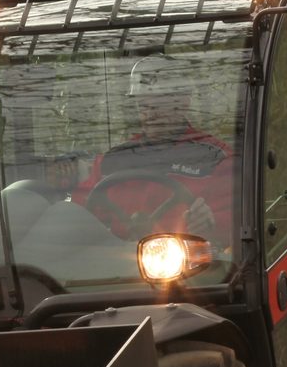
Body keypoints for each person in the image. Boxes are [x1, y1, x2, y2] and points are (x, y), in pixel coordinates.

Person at [74, 53, 234, 243]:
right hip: (117, 257)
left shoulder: (216, 159)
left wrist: (211, 222)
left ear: (184, 102)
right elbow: (80, 212)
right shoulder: (112, 160)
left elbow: (237, 220)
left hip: (189, 258)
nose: (150, 115)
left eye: (158, 104)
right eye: (143, 106)